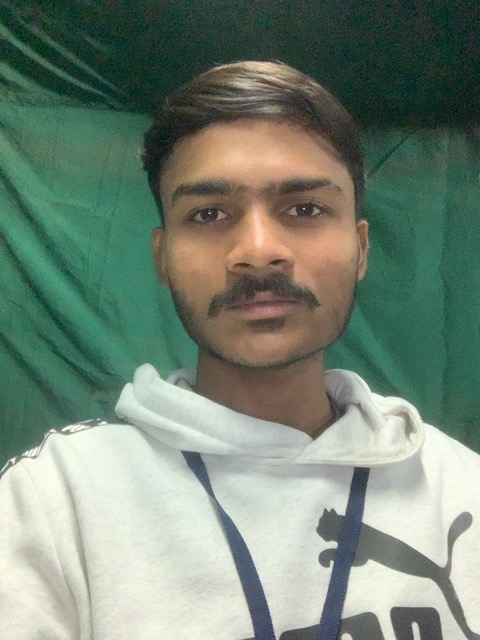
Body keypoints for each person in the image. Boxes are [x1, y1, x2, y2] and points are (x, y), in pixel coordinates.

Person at [1, 61, 479, 640]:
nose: (257, 251)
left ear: (361, 249)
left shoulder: (461, 488)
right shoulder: (53, 504)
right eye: (208, 214)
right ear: (161, 258)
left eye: (305, 209)